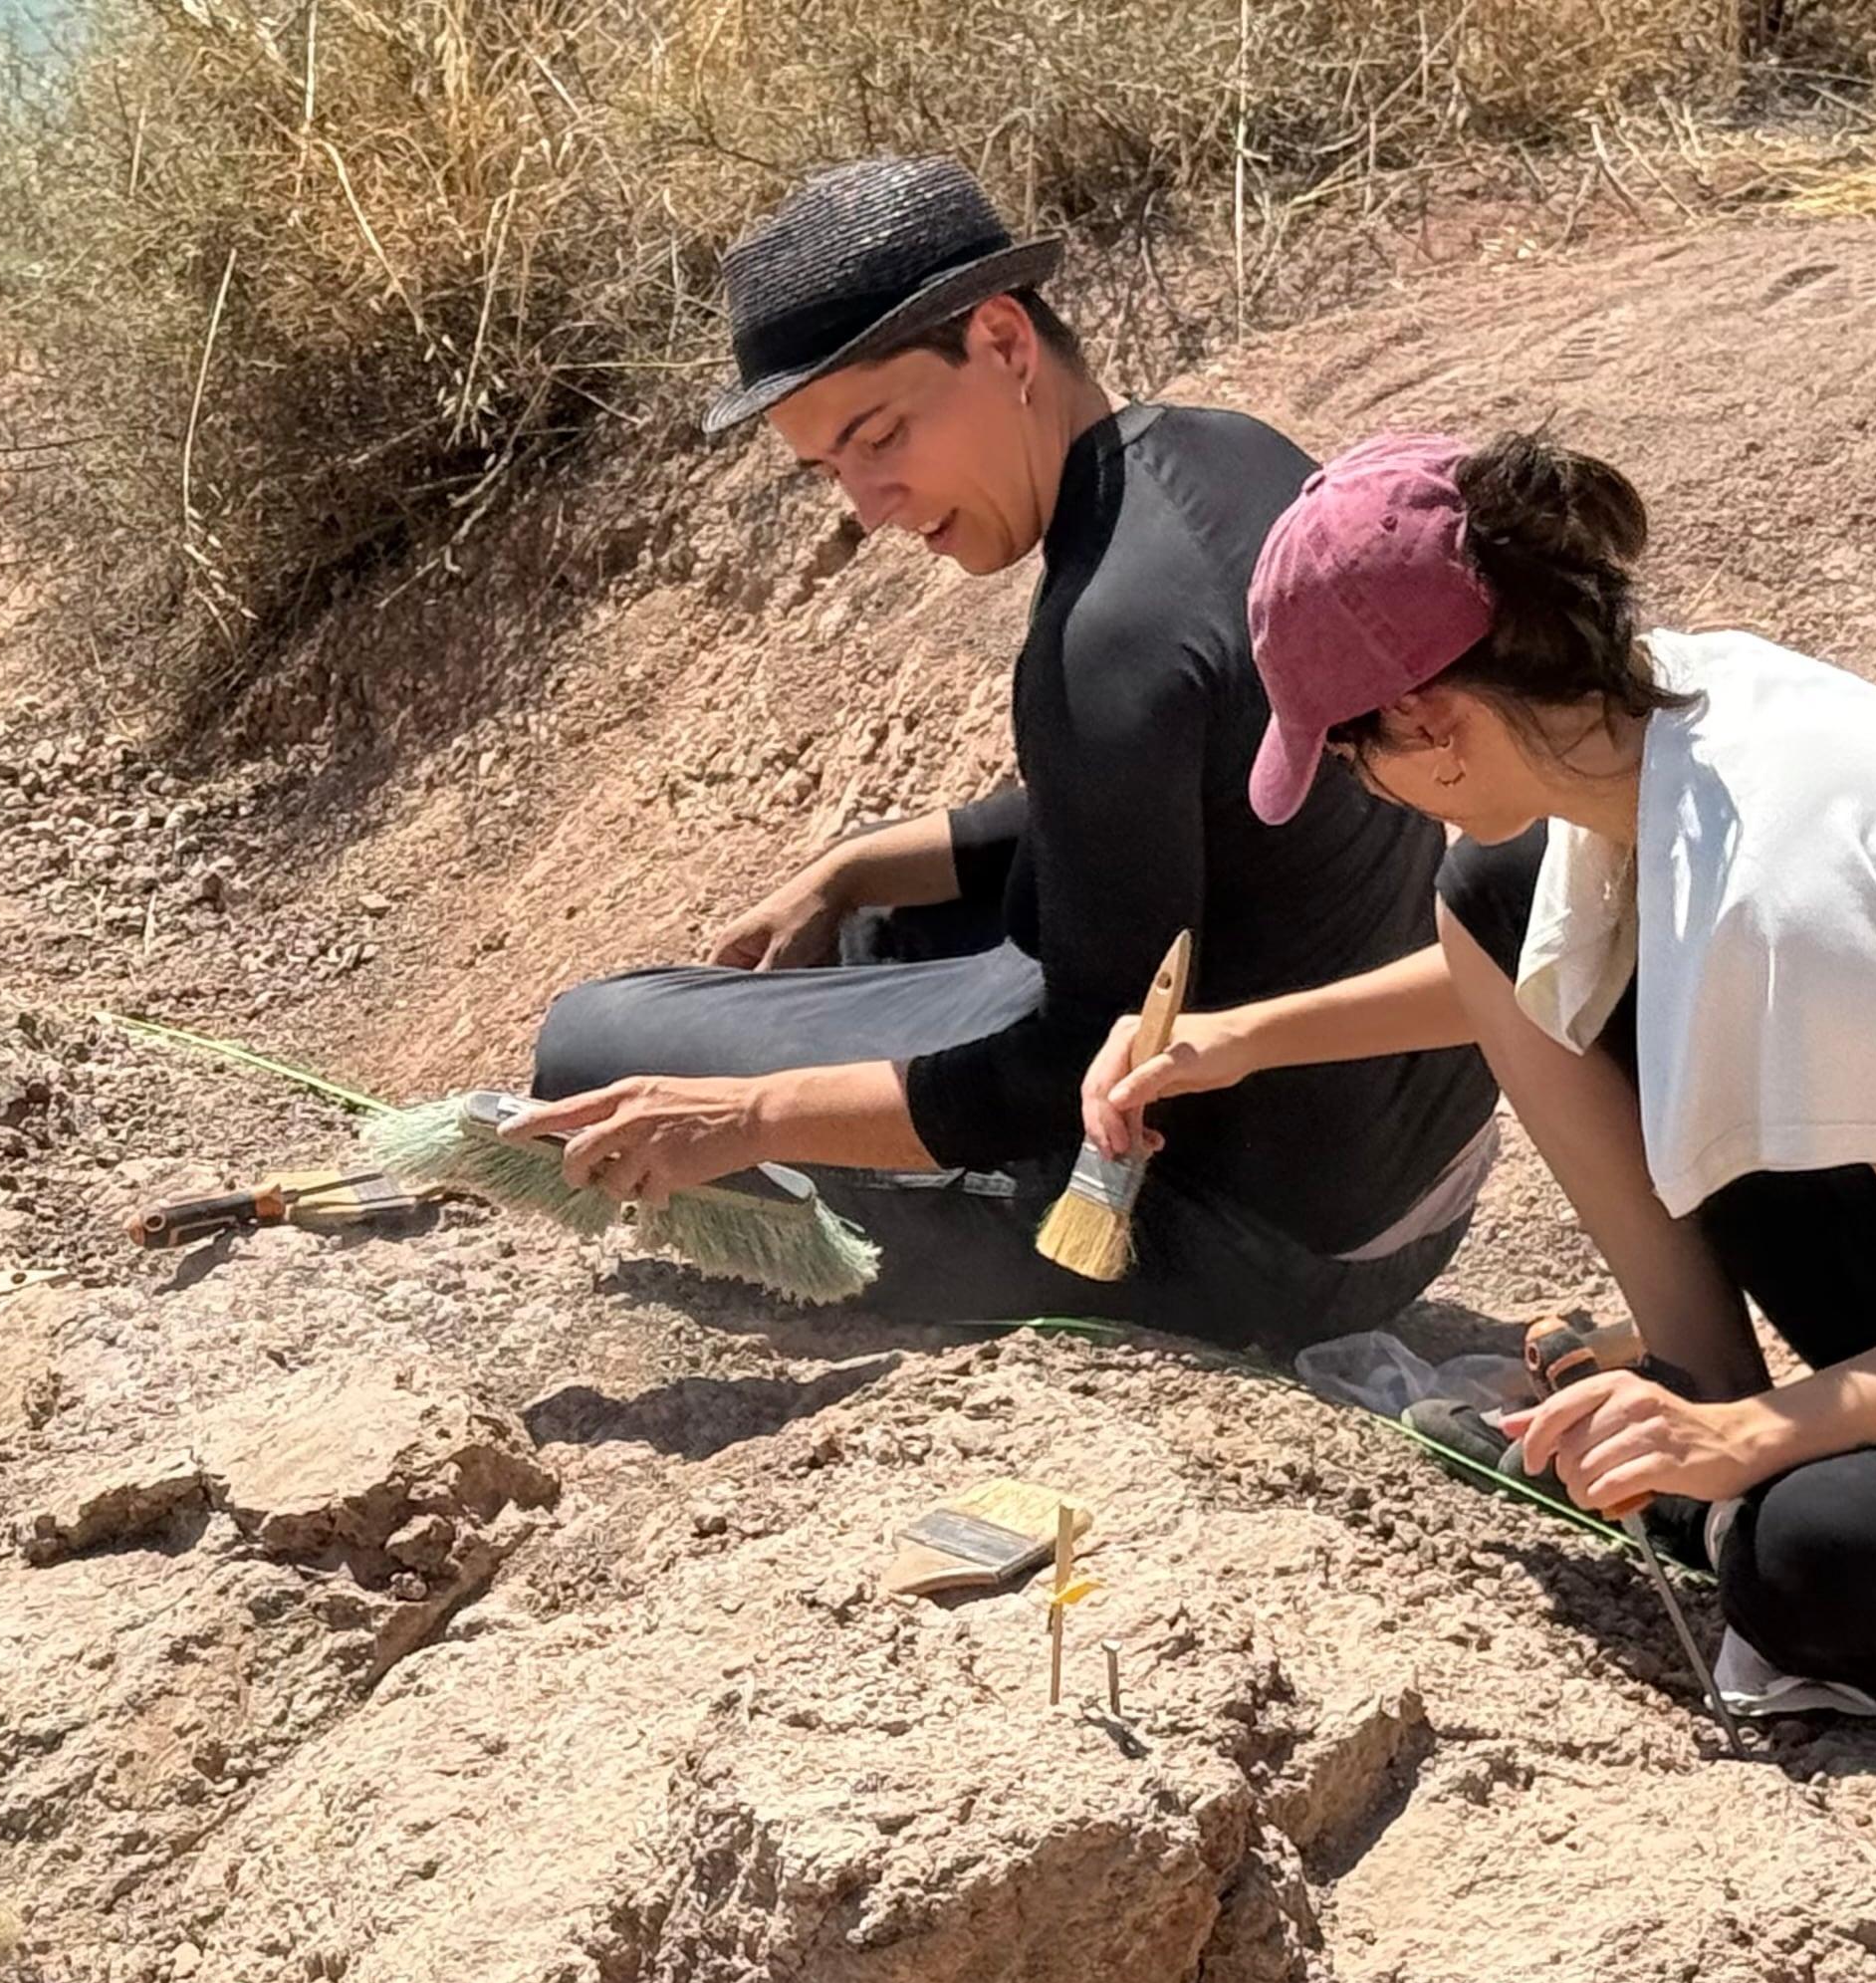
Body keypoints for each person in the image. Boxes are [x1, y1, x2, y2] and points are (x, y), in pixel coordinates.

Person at [1088, 428, 1876, 1695]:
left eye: (1355, 754)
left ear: (1432, 720)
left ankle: (1706, 1453)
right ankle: (1687, 1382)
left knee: (1819, 1561)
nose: (1371, 789)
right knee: (1492, 888)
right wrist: (1249, 1038)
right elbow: (1544, 961)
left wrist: (1752, 1437)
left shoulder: (1788, 893)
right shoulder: (1677, 715)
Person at [515, 154, 1498, 1353]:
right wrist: (857, 866)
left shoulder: (1103, 639)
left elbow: (1057, 1071)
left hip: (1252, 1244)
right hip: (1408, 1155)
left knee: (588, 1047)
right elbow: (1174, 808)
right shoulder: (1225, 457)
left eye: (880, 436)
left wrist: (754, 1119)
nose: (871, 503)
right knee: (875, 931)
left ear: (1001, 341)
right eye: (831, 468)